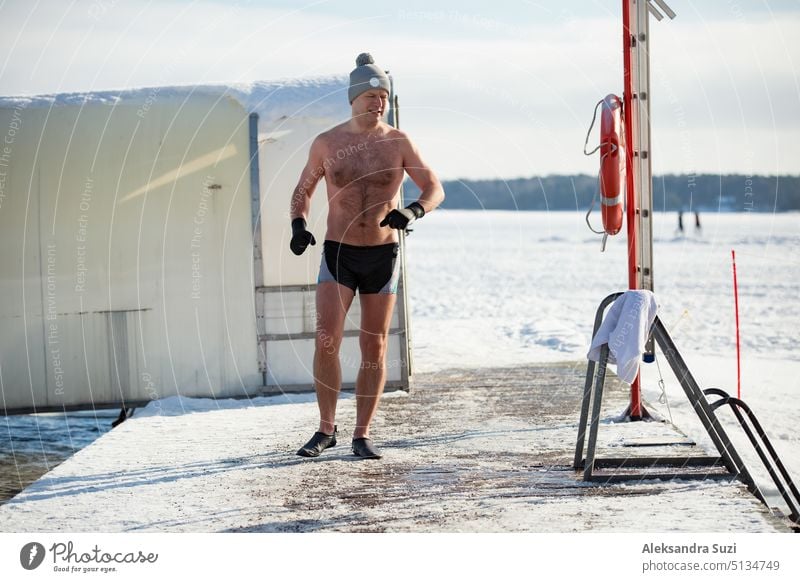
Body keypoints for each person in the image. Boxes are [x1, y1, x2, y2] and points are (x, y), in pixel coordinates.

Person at [288, 53, 445, 459]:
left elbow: (434, 188)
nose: (379, 102)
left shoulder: (398, 141)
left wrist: (412, 211)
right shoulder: (328, 142)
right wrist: (299, 226)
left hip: (382, 254)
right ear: (353, 99)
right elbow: (303, 191)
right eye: (371, 94)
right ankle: (326, 430)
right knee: (327, 341)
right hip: (338, 253)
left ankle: (362, 433)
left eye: (384, 96)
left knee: (374, 347)